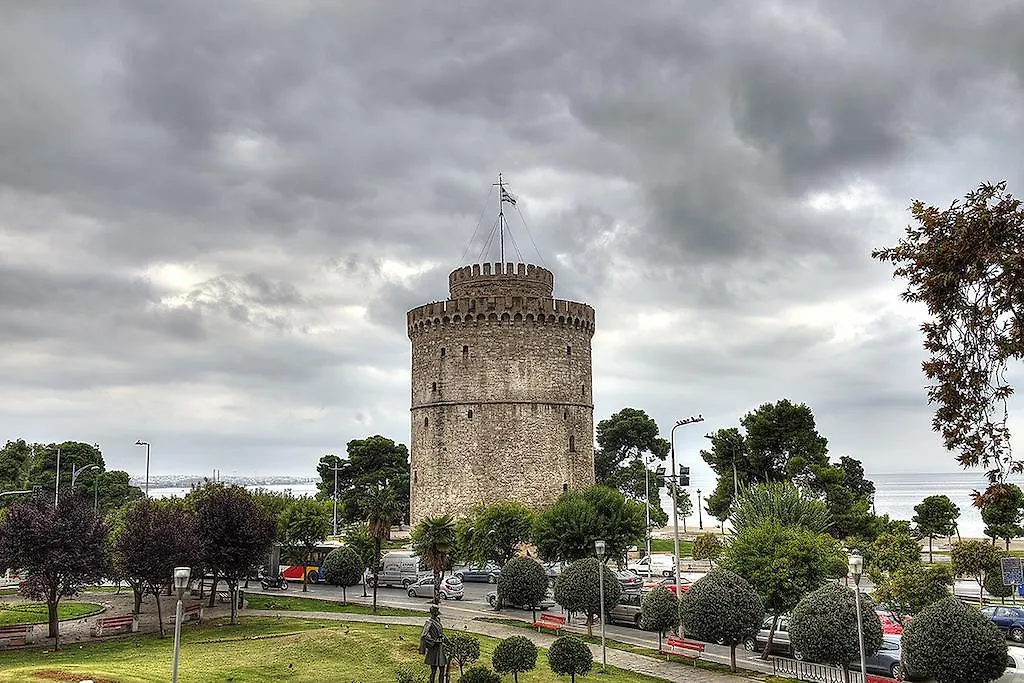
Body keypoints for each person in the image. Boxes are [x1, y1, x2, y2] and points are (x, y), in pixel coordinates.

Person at [419, 605, 448, 683]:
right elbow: (423, 635)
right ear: (433, 613)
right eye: (436, 613)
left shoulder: (438, 620)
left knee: (442, 669)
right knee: (434, 670)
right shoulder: (429, 622)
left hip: (441, 648)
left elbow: (442, 633)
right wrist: (433, 641)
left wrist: (448, 642)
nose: (437, 614)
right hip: (434, 649)